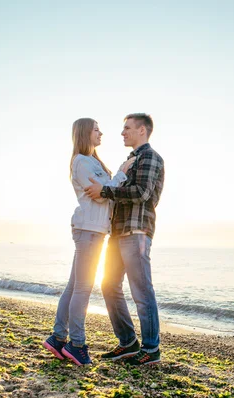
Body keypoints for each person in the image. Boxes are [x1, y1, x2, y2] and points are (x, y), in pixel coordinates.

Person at [42, 118, 134, 366]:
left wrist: (110, 183)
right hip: (88, 230)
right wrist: (122, 174)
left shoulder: (93, 162)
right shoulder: (81, 162)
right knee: (83, 288)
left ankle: (58, 338)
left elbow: (104, 190)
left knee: (74, 287)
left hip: (94, 229)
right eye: (96, 129)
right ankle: (77, 344)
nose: (101, 132)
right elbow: (103, 194)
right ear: (85, 133)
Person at [84, 113, 165, 366]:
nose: (122, 133)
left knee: (142, 291)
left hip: (137, 232)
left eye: (127, 128)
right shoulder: (130, 160)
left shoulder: (150, 157)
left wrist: (105, 190)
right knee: (108, 285)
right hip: (118, 232)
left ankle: (151, 348)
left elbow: (141, 192)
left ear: (142, 130)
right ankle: (128, 343)